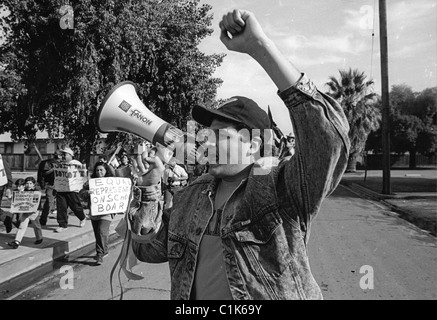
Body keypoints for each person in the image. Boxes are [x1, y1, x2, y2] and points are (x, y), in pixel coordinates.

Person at [126, 9, 349, 300]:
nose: (206, 139)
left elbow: (327, 140)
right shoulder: (190, 195)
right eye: (206, 133)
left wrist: (259, 46)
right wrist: (150, 188)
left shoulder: (280, 186)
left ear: (254, 145)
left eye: (220, 134)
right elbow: (148, 250)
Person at [83, 162, 115, 265]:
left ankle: (99, 255)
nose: (99, 172)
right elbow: (81, 194)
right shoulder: (91, 183)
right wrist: (86, 193)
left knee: (102, 231)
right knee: (98, 234)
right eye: (97, 170)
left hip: (107, 212)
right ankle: (104, 250)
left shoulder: (111, 183)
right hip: (94, 212)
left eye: (101, 170)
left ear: (106, 171)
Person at [54, 147, 87, 233]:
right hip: (61, 189)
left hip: (72, 189)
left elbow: (84, 174)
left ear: (70, 155)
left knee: (76, 206)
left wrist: (81, 184)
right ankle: (62, 225)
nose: (63, 156)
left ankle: (82, 217)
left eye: (65, 154)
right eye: (62, 154)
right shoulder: (60, 164)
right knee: (61, 207)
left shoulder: (76, 164)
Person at [7, 176, 43, 249]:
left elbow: (37, 202)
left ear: (33, 184)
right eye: (27, 183)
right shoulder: (24, 190)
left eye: (30, 183)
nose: (29, 185)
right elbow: (17, 196)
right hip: (25, 211)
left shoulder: (36, 192)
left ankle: (39, 238)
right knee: (22, 226)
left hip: (34, 211)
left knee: (36, 225)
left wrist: (37, 210)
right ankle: (16, 242)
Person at [37, 150, 61, 226]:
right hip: (51, 184)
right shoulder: (47, 163)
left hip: (61, 185)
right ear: (58, 156)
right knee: (49, 202)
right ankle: (43, 219)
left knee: (61, 202)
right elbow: (43, 174)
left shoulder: (63, 164)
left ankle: (63, 218)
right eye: (61, 155)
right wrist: (43, 185)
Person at [0, 154, 13, 233]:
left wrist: (8, 187)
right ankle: (6, 218)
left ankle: (6, 218)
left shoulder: (1, 160)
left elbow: (7, 173)